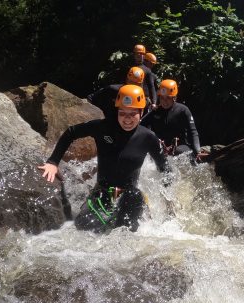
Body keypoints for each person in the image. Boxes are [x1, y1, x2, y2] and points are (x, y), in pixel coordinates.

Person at [38, 85, 168, 232]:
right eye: (122, 113)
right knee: (84, 228)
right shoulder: (103, 127)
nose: (127, 119)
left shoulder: (148, 138)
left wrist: (169, 201)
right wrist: (53, 162)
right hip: (102, 192)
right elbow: (71, 132)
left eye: (133, 114)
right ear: (117, 111)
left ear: (142, 112)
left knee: (127, 223)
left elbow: (164, 167)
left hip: (130, 197)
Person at [140, 79, 204, 162]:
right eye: (162, 98)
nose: (164, 101)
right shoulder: (155, 112)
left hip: (180, 146)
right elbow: (140, 126)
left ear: (174, 98)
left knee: (179, 151)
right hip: (160, 148)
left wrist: (197, 151)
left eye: (168, 98)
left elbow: (193, 132)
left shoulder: (183, 110)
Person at [133, 44, 157, 108]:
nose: (139, 55)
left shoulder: (147, 70)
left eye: (141, 53)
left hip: (142, 99)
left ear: (144, 55)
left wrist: (154, 102)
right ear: (134, 55)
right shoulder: (131, 68)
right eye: (137, 53)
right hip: (131, 96)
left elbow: (151, 87)